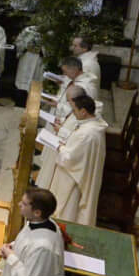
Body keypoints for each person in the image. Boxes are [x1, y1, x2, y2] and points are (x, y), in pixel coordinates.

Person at [40, 92, 106, 226]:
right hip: (76, 174)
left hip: (73, 178)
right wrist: (63, 135)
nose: (74, 114)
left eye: (75, 110)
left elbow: (71, 158)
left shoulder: (88, 133)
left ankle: (61, 229)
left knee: (66, 210)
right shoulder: (92, 125)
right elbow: (77, 145)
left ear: (83, 111)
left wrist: (60, 147)